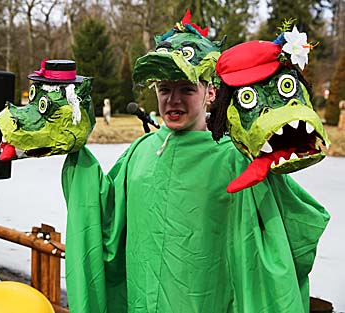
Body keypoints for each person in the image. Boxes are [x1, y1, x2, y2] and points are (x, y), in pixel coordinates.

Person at [62, 10, 328, 313]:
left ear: (210, 93)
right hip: (143, 300)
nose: (173, 100)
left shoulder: (236, 158)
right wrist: (77, 156)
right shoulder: (140, 152)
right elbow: (104, 219)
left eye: (186, 89)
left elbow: (286, 230)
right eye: (165, 89)